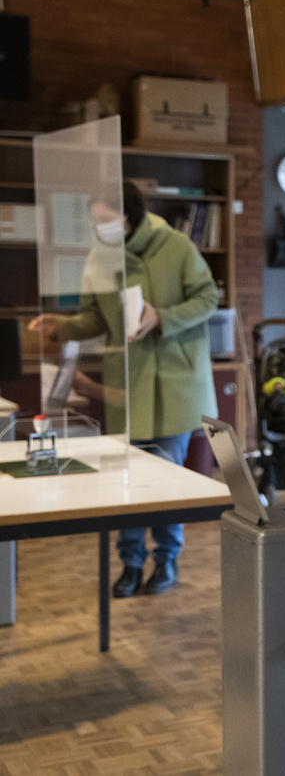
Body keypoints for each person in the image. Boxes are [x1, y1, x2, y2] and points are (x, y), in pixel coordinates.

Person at [30, 183, 219, 598]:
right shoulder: (101, 256)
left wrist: (161, 317)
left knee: (167, 482)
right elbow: (94, 318)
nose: (100, 228)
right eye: (96, 221)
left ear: (130, 216)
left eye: (106, 220)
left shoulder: (176, 244)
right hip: (127, 382)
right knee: (127, 482)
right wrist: (61, 326)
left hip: (174, 381)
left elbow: (208, 297)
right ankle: (130, 563)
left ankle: (166, 560)